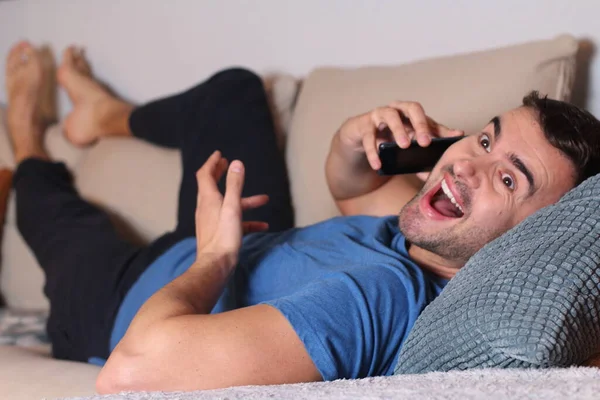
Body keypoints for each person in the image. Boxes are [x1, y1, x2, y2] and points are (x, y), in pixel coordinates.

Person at [5, 41, 600, 394]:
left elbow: (132, 372)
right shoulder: (428, 242)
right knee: (232, 93)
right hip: (238, 232)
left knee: (50, 210)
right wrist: (350, 140)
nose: (467, 162)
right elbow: (352, 190)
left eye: (507, 178)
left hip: (124, 298)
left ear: (538, 238)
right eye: (487, 139)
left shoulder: (380, 295)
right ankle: (106, 115)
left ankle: (26, 139)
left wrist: (215, 253)